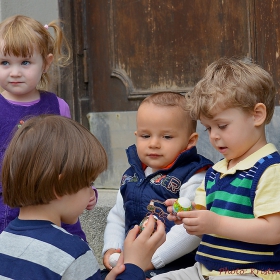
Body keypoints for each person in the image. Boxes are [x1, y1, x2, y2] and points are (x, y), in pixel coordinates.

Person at [151, 57, 280, 280]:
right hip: (205, 270)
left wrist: (216, 222)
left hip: (253, 272)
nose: (214, 136)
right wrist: (188, 215)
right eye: (208, 128)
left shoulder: (269, 170)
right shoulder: (216, 171)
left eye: (222, 126)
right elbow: (204, 215)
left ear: (257, 115)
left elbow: (273, 231)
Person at [0, 115, 166, 280]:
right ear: (59, 186)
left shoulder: (4, 241)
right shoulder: (71, 253)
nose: (90, 192)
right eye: (89, 182)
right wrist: (135, 265)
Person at [0, 15, 94, 240]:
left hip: (54, 203)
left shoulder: (57, 106)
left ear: (46, 63)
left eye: (25, 62)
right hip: (7, 207)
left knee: (65, 252)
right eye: (5, 62)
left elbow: (72, 155)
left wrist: (86, 188)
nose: (14, 72)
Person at [102, 92, 213, 279]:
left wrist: (152, 260)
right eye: (145, 136)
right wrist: (112, 249)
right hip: (132, 262)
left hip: (175, 266)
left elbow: (191, 231)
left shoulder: (193, 176)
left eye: (167, 137)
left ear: (190, 141)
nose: (154, 144)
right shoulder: (131, 176)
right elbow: (118, 218)